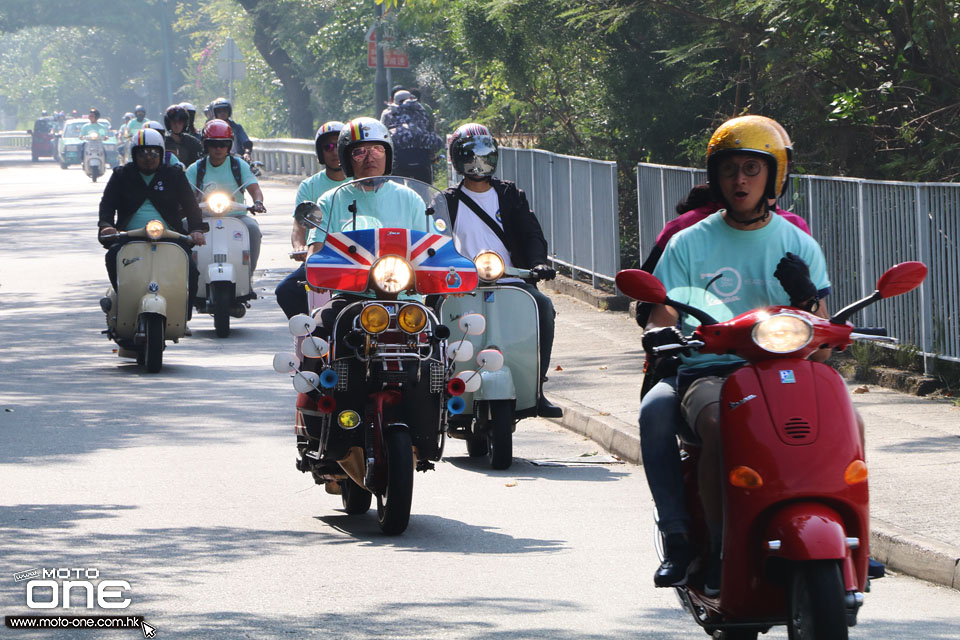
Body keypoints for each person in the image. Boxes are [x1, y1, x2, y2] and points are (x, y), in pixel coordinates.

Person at [638, 115, 832, 596]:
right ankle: (702, 545)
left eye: (751, 168)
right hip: (709, 370)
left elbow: (823, 332)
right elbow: (660, 307)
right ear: (714, 177)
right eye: (729, 170)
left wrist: (807, 299)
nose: (740, 180)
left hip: (786, 369)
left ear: (774, 175)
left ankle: (849, 535)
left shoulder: (798, 243)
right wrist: (661, 334)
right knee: (707, 422)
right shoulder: (687, 241)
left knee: (847, 418)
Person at [441, 123, 563, 419]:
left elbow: (531, 233)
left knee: (543, 308)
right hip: (462, 284)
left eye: (485, 155)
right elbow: (437, 241)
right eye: (470, 156)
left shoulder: (510, 195)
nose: (478, 163)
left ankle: (537, 388)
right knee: (434, 319)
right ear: (457, 160)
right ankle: (439, 385)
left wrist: (537, 263)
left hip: (510, 279)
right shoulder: (446, 200)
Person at [97, 128, 206, 326]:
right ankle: (123, 300)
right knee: (112, 256)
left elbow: (191, 205)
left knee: (191, 268)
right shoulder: (122, 175)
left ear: (162, 154)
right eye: (143, 153)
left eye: (154, 153)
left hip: (170, 236)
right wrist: (107, 227)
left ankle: (184, 316)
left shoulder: (174, 175)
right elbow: (107, 206)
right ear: (134, 154)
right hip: (129, 236)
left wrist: (196, 229)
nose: (148, 158)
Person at [275, 121, 348, 319]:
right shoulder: (309, 185)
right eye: (328, 147)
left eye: (339, 146)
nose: (334, 152)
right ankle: (311, 337)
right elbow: (299, 227)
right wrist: (300, 248)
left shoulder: (360, 182)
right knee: (286, 291)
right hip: (319, 256)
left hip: (358, 259)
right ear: (320, 152)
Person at [185, 119, 266, 282]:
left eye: (223, 144)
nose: (218, 149)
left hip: (236, 216)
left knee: (253, 230)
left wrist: (258, 202)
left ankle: (247, 276)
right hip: (203, 217)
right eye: (213, 144)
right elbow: (185, 195)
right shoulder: (196, 168)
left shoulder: (239, 165)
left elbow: (254, 189)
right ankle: (187, 278)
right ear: (205, 145)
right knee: (182, 227)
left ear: (229, 145)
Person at [379, 89, 443, 184]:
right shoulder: (422, 110)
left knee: (397, 190)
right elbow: (430, 131)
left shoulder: (388, 113)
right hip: (422, 159)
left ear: (394, 101)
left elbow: (382, 134)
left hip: (398, 160)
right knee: (424, 191)